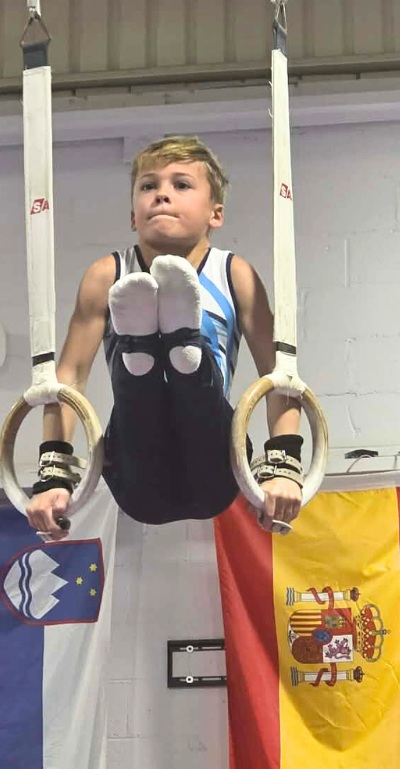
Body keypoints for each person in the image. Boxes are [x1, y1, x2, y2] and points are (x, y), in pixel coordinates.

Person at [26, 135, 304, 539]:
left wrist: (284, 465)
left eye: (181, 184)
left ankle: (168, 349)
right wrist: (53, 473)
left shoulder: (235, 275)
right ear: (133, 216)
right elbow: (69, 378)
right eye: (148, 186)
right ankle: (162, 349)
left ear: (215, 214)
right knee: (137, 400)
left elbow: (279, 377)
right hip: (138, 477)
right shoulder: (106, 275)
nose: (161, 194)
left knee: (200, 397)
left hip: (214, 468)